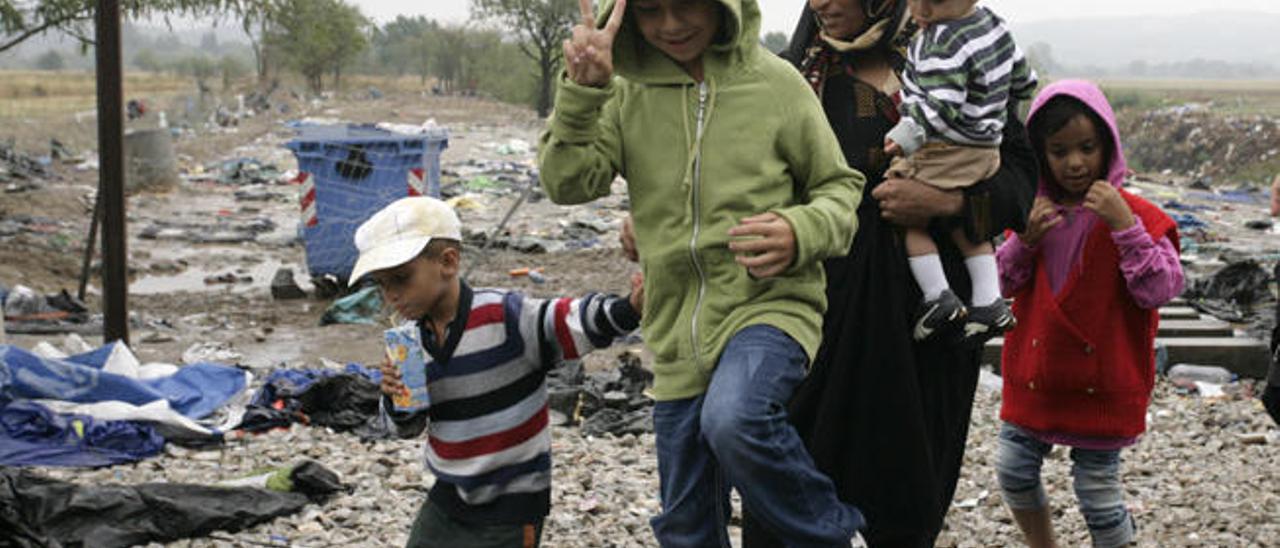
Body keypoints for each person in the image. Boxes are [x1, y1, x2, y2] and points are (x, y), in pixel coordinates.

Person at [539, 0, 869, 545]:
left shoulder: (776, 84)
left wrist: (799, 230)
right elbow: (568, 183)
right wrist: (581, 93)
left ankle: (834, 536)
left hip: (769, 306)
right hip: (674, 334)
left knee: (735, 418)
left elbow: (839, 189)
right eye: (649, 11)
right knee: (688, 527)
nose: (670, 25)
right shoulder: (625, 92)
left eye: (688, 5)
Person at [741, 1, 1038, 546]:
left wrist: (947, 204)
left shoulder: (954, 58)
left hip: (925, 330)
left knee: (903, 496)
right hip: (816, 322)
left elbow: (1019, 178)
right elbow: (742, 181)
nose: (821, 4)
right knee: (791, 491)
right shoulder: (794, 79)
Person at [353, 196, 643, 548]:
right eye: (382, 285)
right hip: (447, 498)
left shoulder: (506, 317)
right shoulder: (410, 343)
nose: (392, 296)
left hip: (510, 507)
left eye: (401, 279)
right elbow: (407, 428)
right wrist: (394, 398)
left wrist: (628, 308)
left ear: (448, 262)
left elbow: (570, 320)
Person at [994, 80, 1184, 548]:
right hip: (1036, 376)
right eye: (1058, 151)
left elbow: (1160, 288)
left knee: (1097, 494)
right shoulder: (1032, 215)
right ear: (1039, 155)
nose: (1075, 163)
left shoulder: (1138, 215)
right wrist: (1025, 240)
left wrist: (1125, 227)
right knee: (1013, 470)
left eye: (1087, 148)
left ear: (1108, 146)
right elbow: (1001, 284)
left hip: (1104, 381)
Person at [884, 0, 1036, 341]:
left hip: (943, 148)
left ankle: (938, 297)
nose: (921, 9)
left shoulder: (940, 41)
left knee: (908, 217)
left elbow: (942, 106)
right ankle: (989, 300)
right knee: (963, 228)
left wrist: (954, 204)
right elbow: (1023, 78)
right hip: (984, 149)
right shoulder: (992, 24)